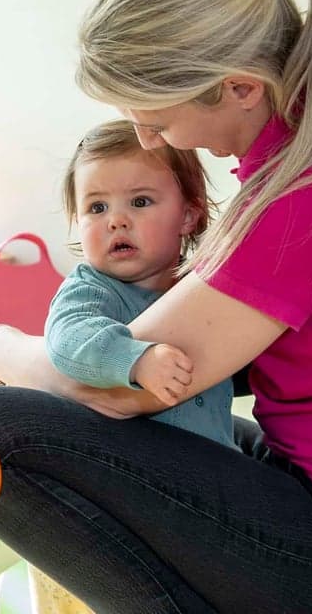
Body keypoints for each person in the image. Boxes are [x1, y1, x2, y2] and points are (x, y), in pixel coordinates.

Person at [0, 0, 312, 614]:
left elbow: (112, 392)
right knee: (183, 430)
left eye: (156, 121)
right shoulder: (303, 175)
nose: (146, 140)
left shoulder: (297, 206)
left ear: (239, 89)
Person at [47, 118, 233, 448]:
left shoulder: (201, 288)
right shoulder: (92, 288)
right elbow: (68, 339)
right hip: (139, 468)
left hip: (214, 460)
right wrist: (135, 360)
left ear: (187, 216)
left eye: (140, 202)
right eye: (97, 207)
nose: (116, 221)